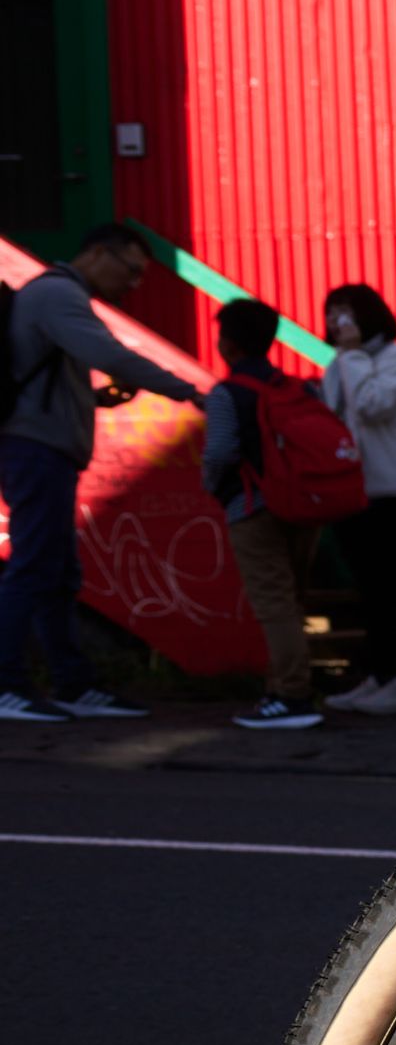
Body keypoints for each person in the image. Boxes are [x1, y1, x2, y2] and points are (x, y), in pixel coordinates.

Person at [0, 223, 194, 724]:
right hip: (35, 449)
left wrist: (99, 397)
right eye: (130, 271)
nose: (133, 284)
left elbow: (53, 378)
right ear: (99, 253)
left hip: (44, 449)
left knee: (58, 572)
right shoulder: (58, 295)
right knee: (34, 566)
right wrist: (192, 392)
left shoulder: (57, 295)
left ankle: (72, 684)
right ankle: (8, 684)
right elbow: (110, 355)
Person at [201, 297, 322, 730]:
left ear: (227, 343)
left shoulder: (227, 393)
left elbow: (219, 453)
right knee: (292, 601)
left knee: (273, 605)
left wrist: (214, 490)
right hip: (304, 507)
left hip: (252, 507)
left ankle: (292, 697)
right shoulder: (299, 389)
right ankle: (282, 691)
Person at [315, 282, 396, 716]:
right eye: (331, 314)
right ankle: (380, 678)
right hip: (354, 489)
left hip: (395, 492)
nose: (337, 323)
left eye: (345, 313)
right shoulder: (340, 363)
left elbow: (371, 405)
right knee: (371, 590)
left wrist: (354, 355)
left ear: (366, 315)